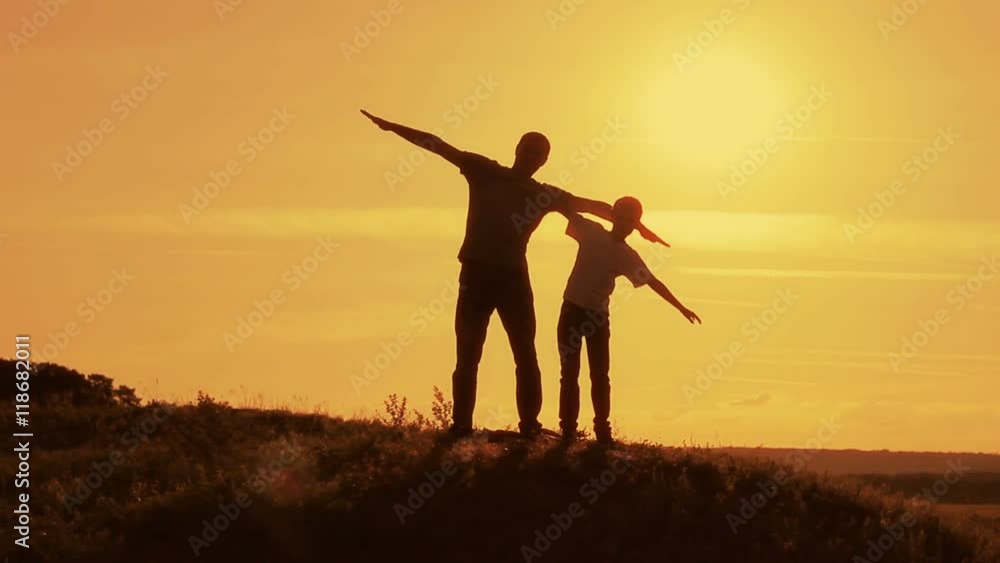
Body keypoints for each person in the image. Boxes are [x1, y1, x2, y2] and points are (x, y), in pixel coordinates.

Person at [360, 109, 667, 437]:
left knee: (525, 351)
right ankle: (461, 425)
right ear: (516, 149)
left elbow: (595, 206)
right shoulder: (484, 170)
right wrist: (393, 127)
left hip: (513, 278)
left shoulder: (544, 194)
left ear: (544, 160)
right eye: (527, 149)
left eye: (539, 154)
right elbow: (438, 145)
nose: (531, 157)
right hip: (476, 274)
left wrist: (640, 227)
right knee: (468, 352)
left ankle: (530, 426)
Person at [557, 197, 701, 444]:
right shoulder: (590, 231)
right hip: (570, 311)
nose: (624, 224)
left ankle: (602, 429)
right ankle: (568, 430)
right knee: (569, 373)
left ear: (635, 224)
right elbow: (565, 204)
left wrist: (680, 307)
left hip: (597, 318)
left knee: (600, 375)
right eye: (620, 218)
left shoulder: (627, 255)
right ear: (612, 216)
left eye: (630, 221)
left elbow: (653, 282)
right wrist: (617, 216)